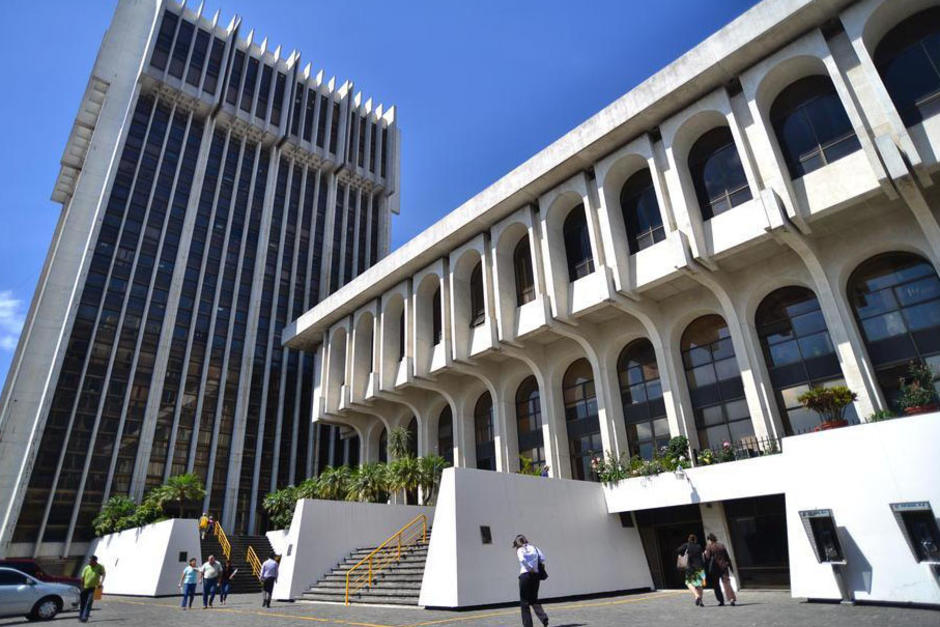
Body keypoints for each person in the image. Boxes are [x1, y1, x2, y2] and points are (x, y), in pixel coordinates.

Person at [513, 534, 549, 627]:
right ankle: (543, 617)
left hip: (525, 575)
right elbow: (542, 558)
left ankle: (528, 625)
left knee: (524, 602)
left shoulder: (519, 550)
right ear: (526, 540)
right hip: (535, 576)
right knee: (534, 599)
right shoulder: (535, 548)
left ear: (518, 542)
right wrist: (535, 565)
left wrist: (529, 567)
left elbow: (522, 560)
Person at [705, 532, 737, 607]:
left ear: (709, 539)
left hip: (715, 568)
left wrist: (705, 553)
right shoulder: (721, 545)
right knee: (726, 583)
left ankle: (721, 601)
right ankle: (731, 598)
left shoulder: (709, 547)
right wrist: (731, 567)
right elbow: (727, 557)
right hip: (724, 566)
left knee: (716, 585)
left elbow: (708, 558)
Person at [676, 533, 706, 606]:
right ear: (695, 539)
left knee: (688, 583)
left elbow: (678, 550)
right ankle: (701, 601)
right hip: (700, 568)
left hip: (691, 568)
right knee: (699, 585)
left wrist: (682, 554)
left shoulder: (687, 545)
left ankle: (696, 596)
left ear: (689, 539)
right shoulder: (699, 546)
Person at [78, 555, 106, 623]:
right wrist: (81, 587)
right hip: (84, 588)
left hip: (93, 588)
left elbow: (103, 574)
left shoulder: (100, 567)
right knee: (82, 603)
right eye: (88, 561)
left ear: (95, 561)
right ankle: (81, 616)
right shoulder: (86, 567)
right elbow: (82, 577)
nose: (89, 562)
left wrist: (101, 583)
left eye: (90, 561)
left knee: (89, 602)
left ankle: (85, 617)